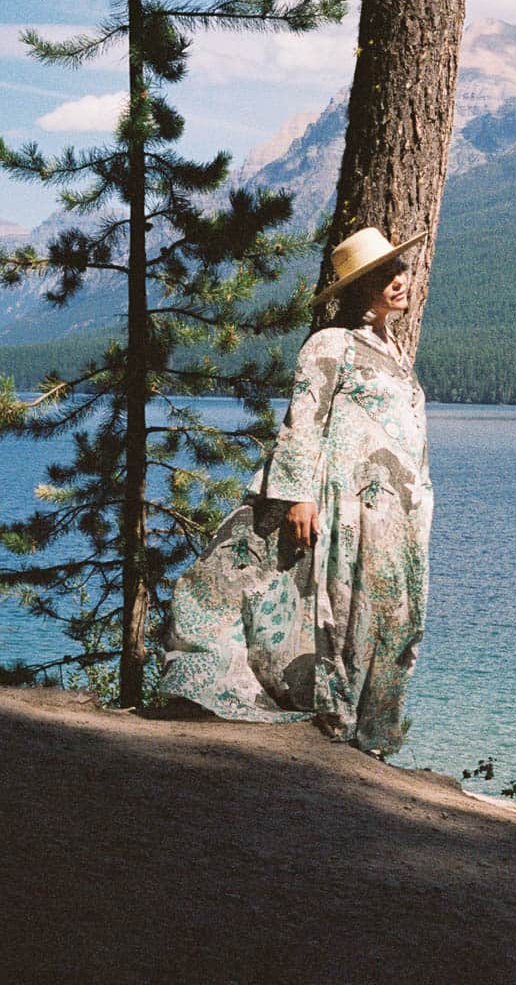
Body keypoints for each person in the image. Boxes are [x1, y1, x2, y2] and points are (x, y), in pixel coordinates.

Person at [160, 227, 433, 756]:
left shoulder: (393, 348)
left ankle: (371, 731)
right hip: (344, 504)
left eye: (400, 270)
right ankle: (337, 715)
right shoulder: (330, 343)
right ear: (358, 287)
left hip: (395, 511)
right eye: (384, 274)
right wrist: (298, 495)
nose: (400, 280)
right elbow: (302, 423)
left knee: (392, 614)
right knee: (342, 605)